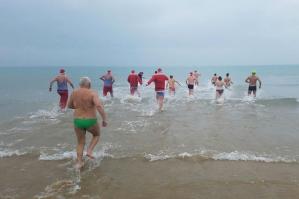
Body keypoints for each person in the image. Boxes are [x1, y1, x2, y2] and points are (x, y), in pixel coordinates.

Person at [68, 77, 108, 169]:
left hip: (78, 120)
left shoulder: (74, 93)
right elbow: (98, 105)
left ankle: (79, 163)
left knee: (80, 142)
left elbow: (69, 106)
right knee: (96, 135)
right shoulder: (92, 93)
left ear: (80, 84)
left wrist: (80, 106)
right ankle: (89, 151)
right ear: (89, 85)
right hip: (90, 120)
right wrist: (104, 119)